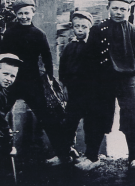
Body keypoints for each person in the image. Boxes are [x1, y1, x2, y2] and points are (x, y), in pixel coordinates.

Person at [81, 0, 135, 173]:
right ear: (108, 8)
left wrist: (133, 72)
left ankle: (133, 158)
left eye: (123, 9)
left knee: (131, 116)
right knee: (98, 115)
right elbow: (89, 57)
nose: (118, 12)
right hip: (103, 80)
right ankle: (92, 156)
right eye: (115, 8)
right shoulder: (98, 29)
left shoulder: (134, 30)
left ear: (128, 11)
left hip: (128, 79)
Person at [0, 0, 67, 165]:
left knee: (46, 116)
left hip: (32, 81)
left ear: (33, 13)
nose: (23, 17)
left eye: (26, 13)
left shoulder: (38, 34)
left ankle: (63, 152)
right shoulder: (10, 33)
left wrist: (49, 79)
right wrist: (1, 78)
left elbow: (47, 58)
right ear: (16, 14)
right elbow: (2, 56)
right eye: (20, 13)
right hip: (12, 80)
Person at [59, 11, 96, 165]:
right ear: (72, 28)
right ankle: (66, 152)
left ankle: (90, 155)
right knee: (69, 121)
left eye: (84, 27)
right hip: (73, 91)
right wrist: (64, 86)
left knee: (90, 123)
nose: (80, 30)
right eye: (77, 26)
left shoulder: (93, 47)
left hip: (89, 92)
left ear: (89, 28)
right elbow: (63, 69)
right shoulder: (69, 47)